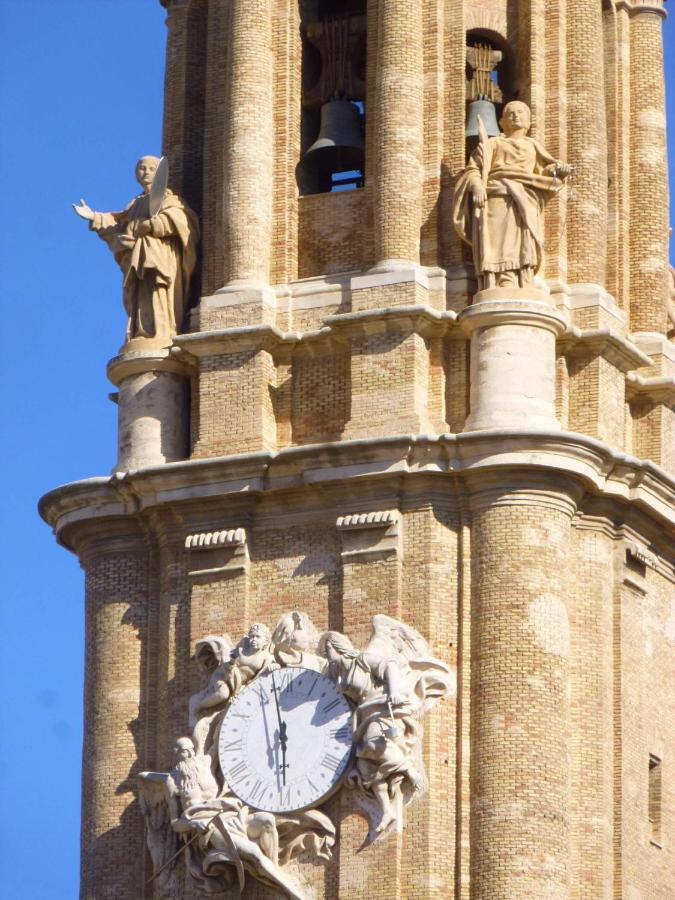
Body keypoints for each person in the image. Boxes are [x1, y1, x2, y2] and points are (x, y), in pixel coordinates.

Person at [73, 156, 199, 347]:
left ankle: (162, 331)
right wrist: (94, 216)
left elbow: (181, 220)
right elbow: (118, 224)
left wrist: (153, 224)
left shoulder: (169, 199)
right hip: (138, 260)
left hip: (160, 260)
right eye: (142, 169)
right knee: (141, 297)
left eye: (151, 169)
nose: (146, 172)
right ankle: (142, 332)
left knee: (158, 292)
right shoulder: (135, 205)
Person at [453, 101, 572, 291]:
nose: (515, 116)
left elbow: (545, 171)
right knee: (497, 244)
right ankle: (497, 280)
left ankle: (523, 279)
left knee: (523, 242)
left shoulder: (534, 147)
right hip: (496, 197)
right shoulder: (492, 144)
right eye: (510, 113)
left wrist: (559, 171)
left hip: (525, 198)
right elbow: (473, 169)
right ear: (501, 121)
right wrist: (476, 187)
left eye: (520, 113)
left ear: (529, 121)